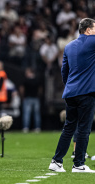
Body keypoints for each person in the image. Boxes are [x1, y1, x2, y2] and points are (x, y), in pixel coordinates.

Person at [49, 18, 95, 173]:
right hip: (86, 93)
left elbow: (64, 71)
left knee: (68, 128)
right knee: (84, 129)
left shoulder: (69, 46)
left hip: (70, 92)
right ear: (88, 30)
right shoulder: (91, 42)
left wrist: (70, 85)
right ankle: (79, 164)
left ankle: (56, 161)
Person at [19, 68, 42, 133]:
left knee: (27, 114)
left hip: (27, 98)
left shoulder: (25, 80)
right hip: (36, 98)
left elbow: (22, 89)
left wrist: (22, 96)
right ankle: (37, 128)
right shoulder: (37, 80)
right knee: (36, 114)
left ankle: (26, 128)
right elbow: (40, 89)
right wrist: (38, 95)